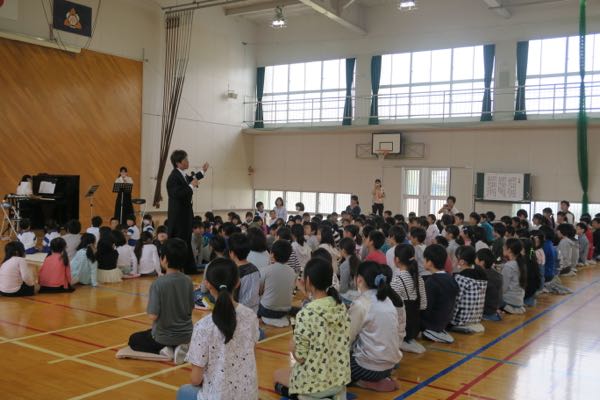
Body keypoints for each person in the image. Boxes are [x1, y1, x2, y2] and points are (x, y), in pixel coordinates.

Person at [177, 258, 259, 400]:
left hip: (217, 396)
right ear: (238, 282)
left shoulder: (204, 326)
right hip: (249, 394)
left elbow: (195, 379)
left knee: (184, 391)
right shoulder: (250, 316)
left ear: (207, 284)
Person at [273, 257, 350, 400]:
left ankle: (306, 397)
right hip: (339, 380)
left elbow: (301, 358)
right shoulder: (341, 307)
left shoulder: (306, 314)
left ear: (308, 280)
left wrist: (292, 347)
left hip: (314, 384)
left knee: (277, 375)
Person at [128, 238, 194, 362]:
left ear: (164, 259)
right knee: (150, 333)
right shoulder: (188, 281)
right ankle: (179, 347)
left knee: (134, 339)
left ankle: (165, 349)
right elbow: (190, 308)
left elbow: (153, 316)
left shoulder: (158, 283)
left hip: (163, 337)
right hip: (187, 335)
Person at [348, 261, 402, 392]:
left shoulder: (361, 304)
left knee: (332, 366)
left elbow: (346, 337)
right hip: (390, 366)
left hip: (369, 368)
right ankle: (381, 379)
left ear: (359, 279)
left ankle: (366, 382)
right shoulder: (387, 300)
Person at [166, 149, 209, 274]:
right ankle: (178, 269)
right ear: (178, 163)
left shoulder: (182, 174)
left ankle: (189, 268)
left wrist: (203, 171)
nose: (188, 162)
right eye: (185, 160)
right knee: (180, 243)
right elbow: (177, 193)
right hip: (178, 217)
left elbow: (192, 178)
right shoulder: (173, 177)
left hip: (185, 215)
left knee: (186, 242)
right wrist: (191, 186)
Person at [391, 244, 427, 353]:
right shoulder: (419, 279)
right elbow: (423, 305)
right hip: (415, 326)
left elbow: (391, 309)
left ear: (397, 259)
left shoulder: (397, 280)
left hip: (402, 328)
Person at [420, 244, 459, 343]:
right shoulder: (450, 278)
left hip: (432, 324)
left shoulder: (431, 282)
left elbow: (426, 308)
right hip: (444, 322)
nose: (423, 262)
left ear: (430, 263)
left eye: (424, 259)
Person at [450, 246, 487, 333]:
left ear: (461, 261)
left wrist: (450, 320)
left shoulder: (460, 278)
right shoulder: (482, 275)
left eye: (456, 258)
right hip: (476, 318)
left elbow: (456, 302)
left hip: (462, 319)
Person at [257, 240, 296, 322]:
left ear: (272, 254)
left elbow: (259, 292)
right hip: (285, 310)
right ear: (288, 256)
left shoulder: (265, 270)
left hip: (266, 310)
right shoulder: (292, 271)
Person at [228, 233, 260, 313]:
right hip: (254, 311)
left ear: (232, 253)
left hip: (239, 312)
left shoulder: (234, 272)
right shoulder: (255, 269)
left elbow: (231, 298)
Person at [500, 238, 527, 314]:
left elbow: (503, 288)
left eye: (504, 246)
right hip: (519, 300)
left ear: (509, 250)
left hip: (509, 301)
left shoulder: (509, 266)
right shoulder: (520, 263)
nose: (502, 247)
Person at [476, 248, 503, 321]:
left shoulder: (480, 276)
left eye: (476, 258)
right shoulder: (497, 274)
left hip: (485, 312)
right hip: (494, 310)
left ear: (482, 262)